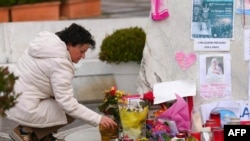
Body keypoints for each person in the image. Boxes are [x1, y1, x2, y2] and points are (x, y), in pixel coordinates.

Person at [6, 23, 117, 141]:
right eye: (81, 51)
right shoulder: (60, 63)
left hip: (13, 99)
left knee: (63, 102)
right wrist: (99, 119)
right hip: (26, 106)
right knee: (68, 112)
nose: (83, 56)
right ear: (69, 45)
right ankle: (25, 132)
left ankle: (41, 136)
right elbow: (67, 103)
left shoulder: (45, 43)